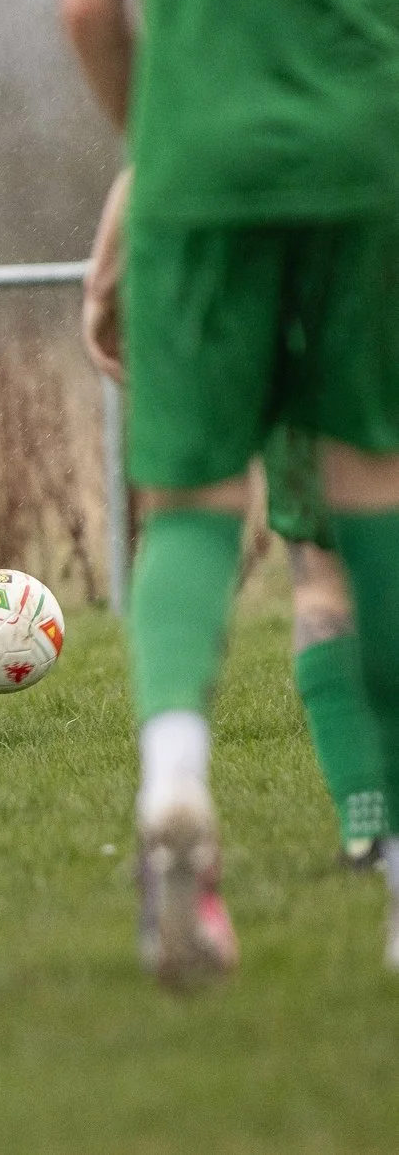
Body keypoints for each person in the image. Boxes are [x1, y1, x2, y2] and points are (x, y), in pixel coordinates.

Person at [62, 0, 399, 986]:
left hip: (197, 168)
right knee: (370, 493)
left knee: (194, 507)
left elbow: (87, 0)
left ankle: (176, 778)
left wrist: (153, 153)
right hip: (370, 163)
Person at [85, 171, 389, 870]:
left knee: (312, 570)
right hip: (368, 202)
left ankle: (355, 820)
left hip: (238, 223)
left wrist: (104, 277)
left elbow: (153, 124)